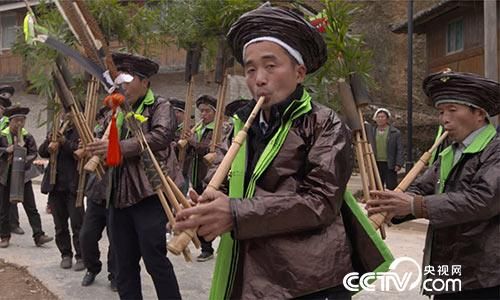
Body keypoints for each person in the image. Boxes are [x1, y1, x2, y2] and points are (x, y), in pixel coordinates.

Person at [175, 5, 354, 299]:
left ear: (299, 72)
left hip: (308, 279)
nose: (259, 78)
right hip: (250, 269)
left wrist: (234, 212)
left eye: (271, 66)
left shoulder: (324, 123)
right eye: (250, 68)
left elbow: (320, 202)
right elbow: (220, 180)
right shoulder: (240, 126)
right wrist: (204, 206)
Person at [367, 70, 500, 299]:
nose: (444, 119)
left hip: (482, 274)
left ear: (479, 114)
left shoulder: (495, 149)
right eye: (441, 111)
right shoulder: (449, 152)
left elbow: (483, 200)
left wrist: (415, 205)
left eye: (452, 110)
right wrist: (393, 206)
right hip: (444, 268)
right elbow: (421, 188)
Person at [85, 52, 181, 299]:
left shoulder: (160, 106)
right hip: (116, 196)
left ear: (145, 81)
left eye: (127, 80)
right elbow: (106, 142)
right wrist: (98, 149)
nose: (122, 86)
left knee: (154, 260)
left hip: (148, 194)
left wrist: (117, 149)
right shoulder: (114, 109)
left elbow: (160, 137)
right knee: (123, 265)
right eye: (119, 82)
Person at [0, 105, 53, 248]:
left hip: (23, 176)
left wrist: (22, 160)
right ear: (10, 122)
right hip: (5, 176)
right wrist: (6, 151)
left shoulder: (27, 136)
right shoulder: (2, 135)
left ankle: (39, 235)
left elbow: (33, 153)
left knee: (31, 207)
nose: (19, 124)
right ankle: (4, 236)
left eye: (22, 121)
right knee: (3, 208)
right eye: (16, 121)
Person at [38, 115, 85, 271]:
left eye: (69, 112)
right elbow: (42, 151)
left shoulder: (81, 130)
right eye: (64, 113)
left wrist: (64, 142)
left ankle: (81, 256)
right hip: (55, 185)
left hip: (73, 186)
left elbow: (78, 151)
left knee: (78, 223)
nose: (66, 116)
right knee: (60, 225)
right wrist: (49, 144)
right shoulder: (56, 129)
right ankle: (65, 254)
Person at [79, 106, 116, 290]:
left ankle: (115, 275)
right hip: (95, 193)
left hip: (116, 195)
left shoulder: (123, 135)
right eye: (105, 117)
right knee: (86, 236)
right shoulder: (97, 134)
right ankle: (92, 268)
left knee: (116, 240)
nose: (106, 120)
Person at [182, 94, 217, 262]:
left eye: (207, 111)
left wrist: (193, 142)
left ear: (215, 112)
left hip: (209, 178)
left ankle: (207, 248)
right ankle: (202, 244)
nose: (203, 115)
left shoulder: (218, 129)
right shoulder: (198, 128)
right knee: (197, 211)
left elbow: (209, 150)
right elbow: (192, 151)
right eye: (201, 111)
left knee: (205, 214)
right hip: (195, 176)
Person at [0, 85, 24, 235]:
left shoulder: (7, 122)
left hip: (5, 162)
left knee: (10, 193)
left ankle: (13, 224)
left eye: (3, 107)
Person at [367, 107, 403, 190]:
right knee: (377, 185)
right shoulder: (371, 132)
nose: (380, 119)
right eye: (378, 117)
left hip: (390, 163)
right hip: (375, 162)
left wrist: (399, 163)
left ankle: (391, 202)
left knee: (391, 185)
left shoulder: (395, 132)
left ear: (387, 119)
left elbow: (399, 149)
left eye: (382, 117)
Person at [170, 97, 191, 194]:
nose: (174, 115)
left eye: (177, 112)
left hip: (183, 170)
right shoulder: (171, 128)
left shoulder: (189, 130)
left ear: (183, 113)